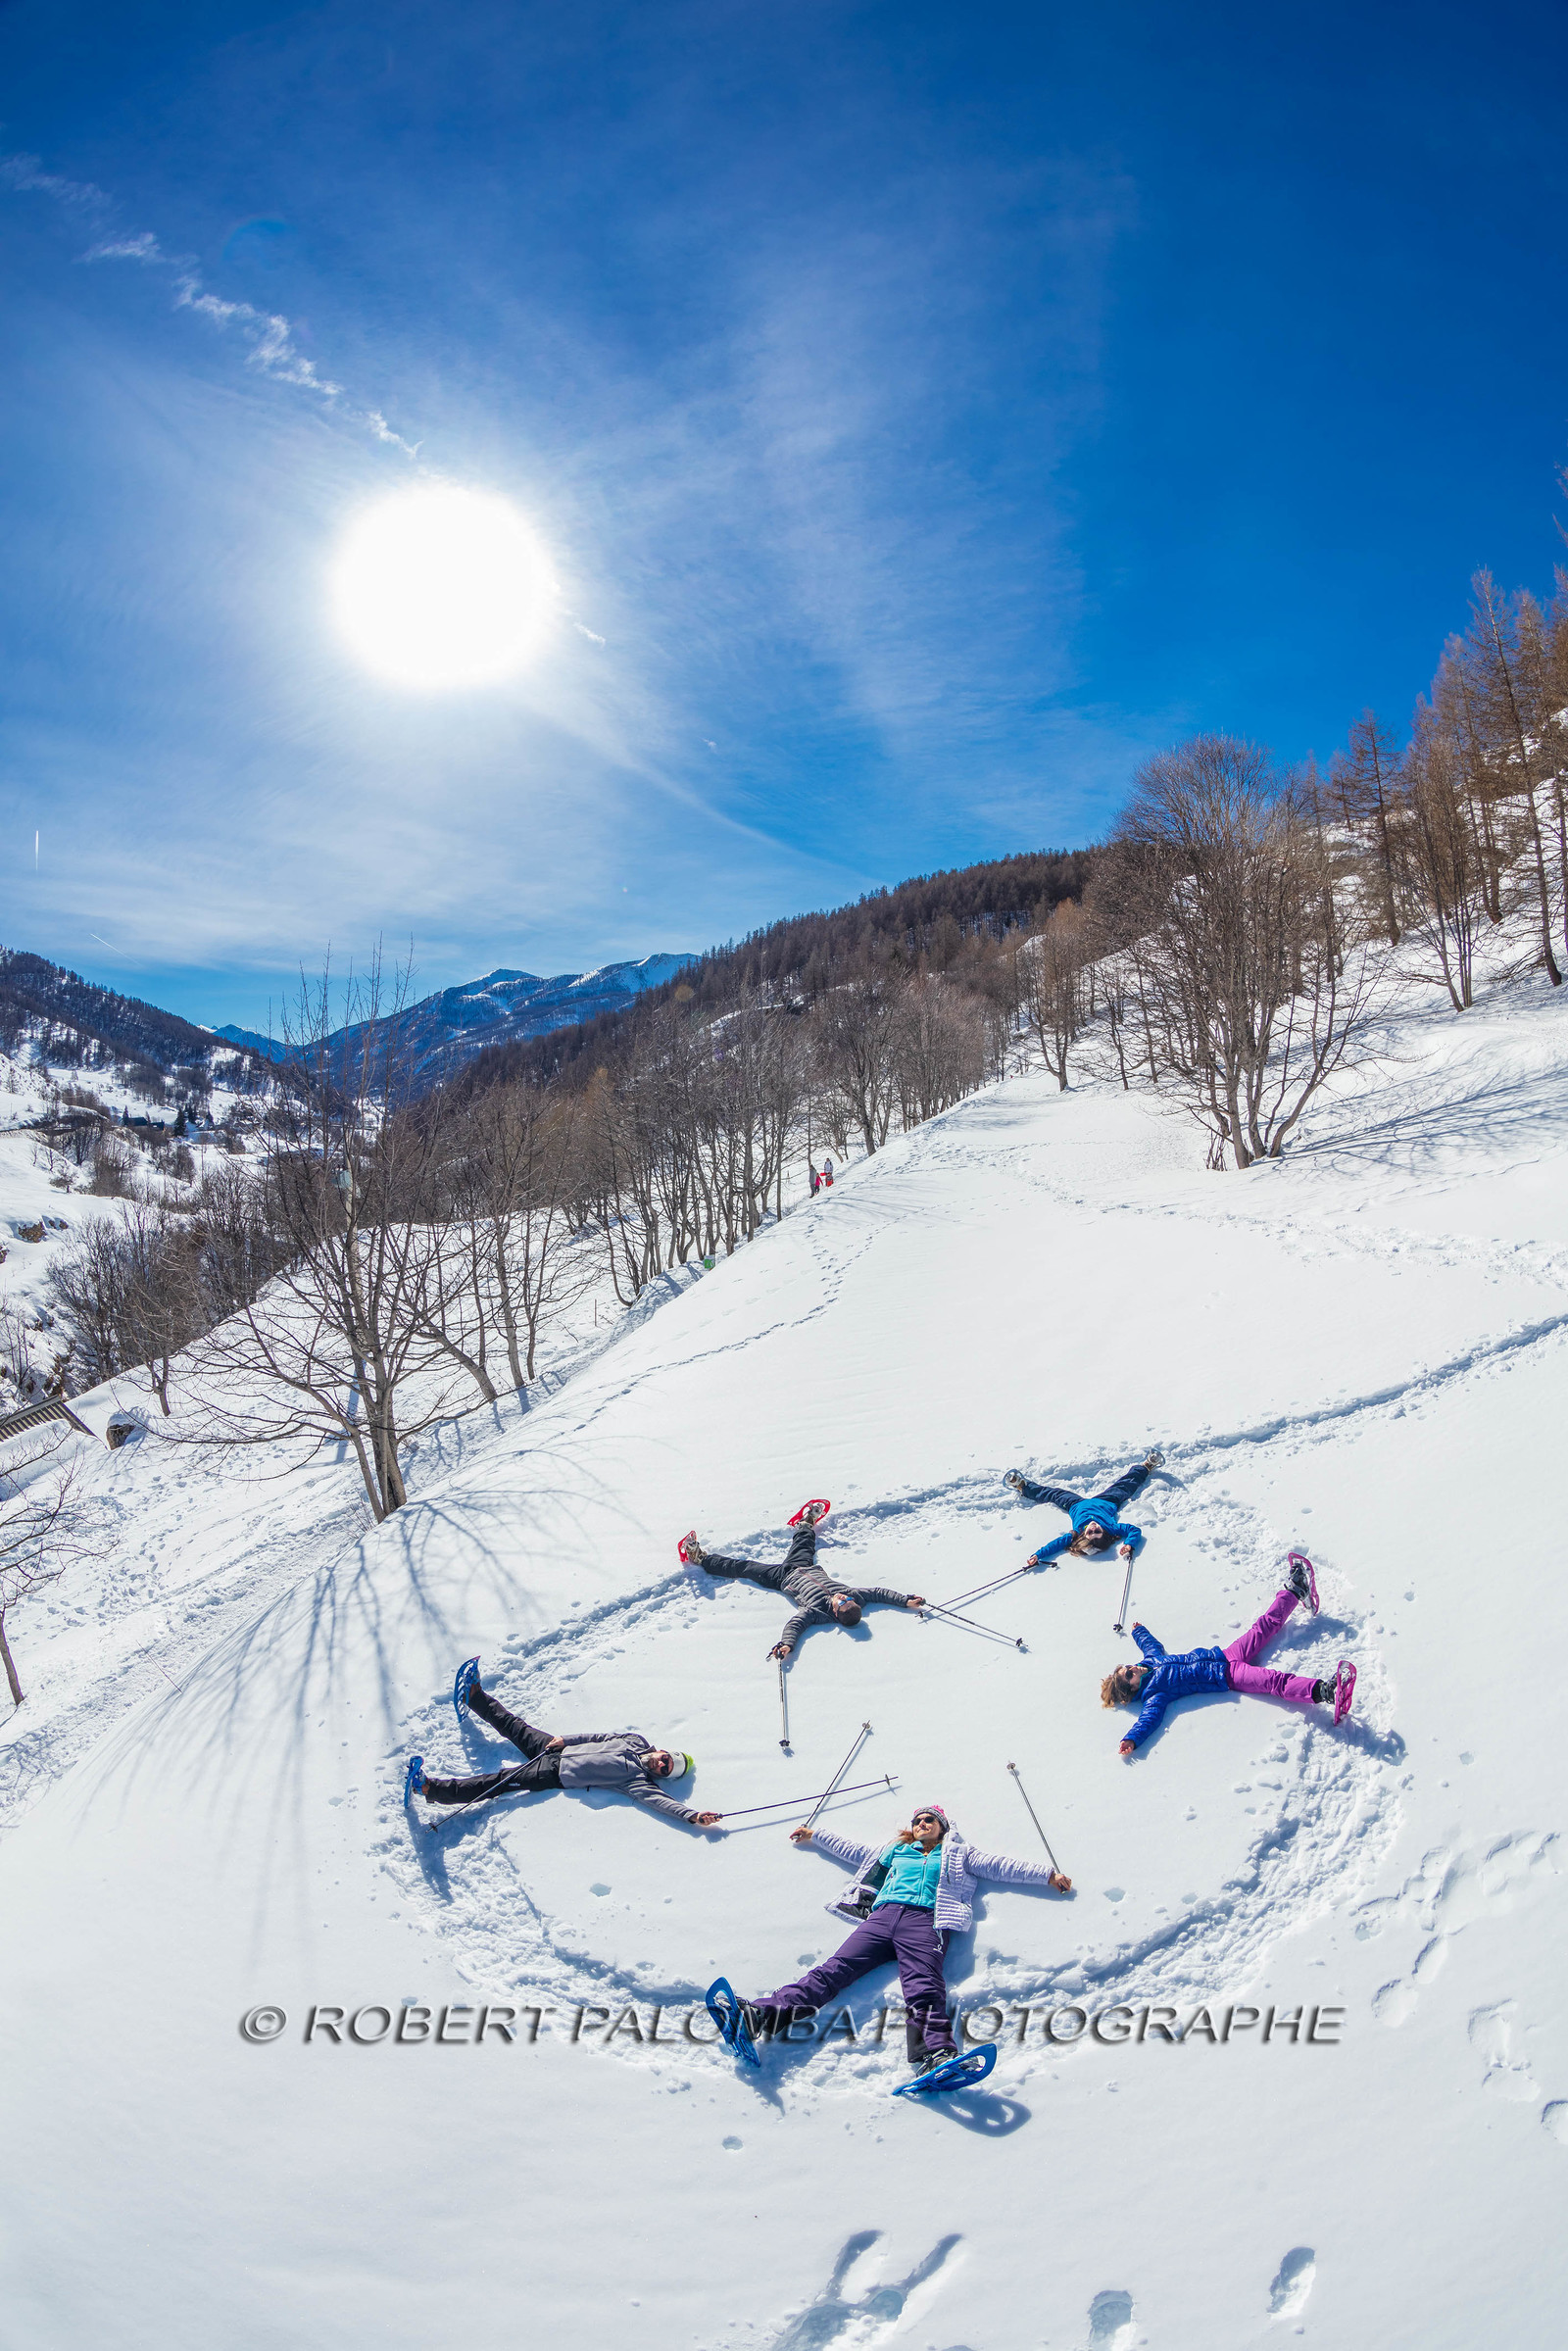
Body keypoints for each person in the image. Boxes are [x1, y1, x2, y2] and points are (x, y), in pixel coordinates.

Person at [737, 1805, 1071, 2076]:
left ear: (942, 1826)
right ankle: (760, 2016)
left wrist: (1047, 1875)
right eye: (918, 1821)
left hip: (926, 1921)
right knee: (833, 1970)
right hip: (883, 1917)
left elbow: (999, 1865)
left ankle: (934, 2055)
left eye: (930, 1820)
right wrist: (816, 1835)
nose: (923, 1824)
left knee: (923, 1985)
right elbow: (853, 1851)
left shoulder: (958, 1854)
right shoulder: (895, 1850)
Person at [407, 1664, 722, 1827]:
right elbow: (598, 1738)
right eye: (666, 1758)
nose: (661, 1764)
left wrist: (692, 1816)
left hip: (554, 1774)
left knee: (498, 1781)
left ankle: (431, 1790)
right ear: (663, 1750)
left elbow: (663, 1804)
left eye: (666, 1770)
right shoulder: (636, 1741)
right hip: (557, 1748)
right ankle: (474, 1696)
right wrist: (564, 1740)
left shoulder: (637, 1781)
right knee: (515, 1726)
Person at [1104, 1558, 1354, 1755]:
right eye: (1128, 1674)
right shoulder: (1154, 1695)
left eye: (1127, 1666)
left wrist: (1139, 1631)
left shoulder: (1151, 1661)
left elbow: (1150, 1646)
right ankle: (1325, 1691)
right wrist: (1132, 1739)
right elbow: (1148, 1720)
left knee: (1264, 1626)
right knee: (1273, 1681)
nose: (1132, 1668)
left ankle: (1295, 1590)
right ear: (1131, 1689)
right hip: (1228, 1675)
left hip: (1226, 1654)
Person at [680, 1501, 925, 1660]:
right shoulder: (856, 1596)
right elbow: (880, 1593)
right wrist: (905, 1601)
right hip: (804, 1567)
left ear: (836, 1614)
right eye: (847, 1598)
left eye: (842, 1603)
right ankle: (806, 1522)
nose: (843, 1597)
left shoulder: (816, 1612)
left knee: (743, 1568)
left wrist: (787, 1645)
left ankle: (699, 1557)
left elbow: (795, 1625)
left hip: (782, 1577)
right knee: (805, 1543)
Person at [1005, 1448, 1163, 1567]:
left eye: (1090, 1532)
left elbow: (1055, 1545)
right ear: (1104, 1533)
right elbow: (1134, 1530)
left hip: (1075, 1504)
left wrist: (1037, 1555)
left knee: (1051, 1493)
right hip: (1107, 1502)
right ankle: (1147, 1466)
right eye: (1097, 1532)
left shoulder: (1075, 1535)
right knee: (1126, 1485)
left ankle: (1022, 1486)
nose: (1093, 1528)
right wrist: (1129, 1544)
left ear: (1083, 1535)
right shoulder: (1112, 1529)